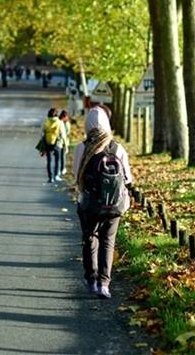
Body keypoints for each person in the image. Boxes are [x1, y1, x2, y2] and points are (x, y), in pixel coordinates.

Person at [73, 107, 132, 299]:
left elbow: (76, 177)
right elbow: (128, 179)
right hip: (114, 205)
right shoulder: (118, 148)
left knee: (90, 237)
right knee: (108, 241)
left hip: (90, 203)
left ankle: (91, 278)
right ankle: (104, 283)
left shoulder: (82, 148)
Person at [42, 108, 67, 183]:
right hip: (57, 143)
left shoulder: (46, 122)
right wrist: (65, 144)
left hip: (48, 142)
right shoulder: (59, 122)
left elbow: (42, 133)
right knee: (57, 160)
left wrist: (43, 144)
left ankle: (50, 178)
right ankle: (56, 175)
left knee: (49, 161)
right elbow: (63, 134)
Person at [58, 110, 71, 175]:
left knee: (60, 156)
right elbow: (67, 133)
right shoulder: (66, 123)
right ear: (65, 116)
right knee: (62, 156)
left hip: (59, 142)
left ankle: (60, 169)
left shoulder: (58, 121)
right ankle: (62, 169)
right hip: (64, 142)